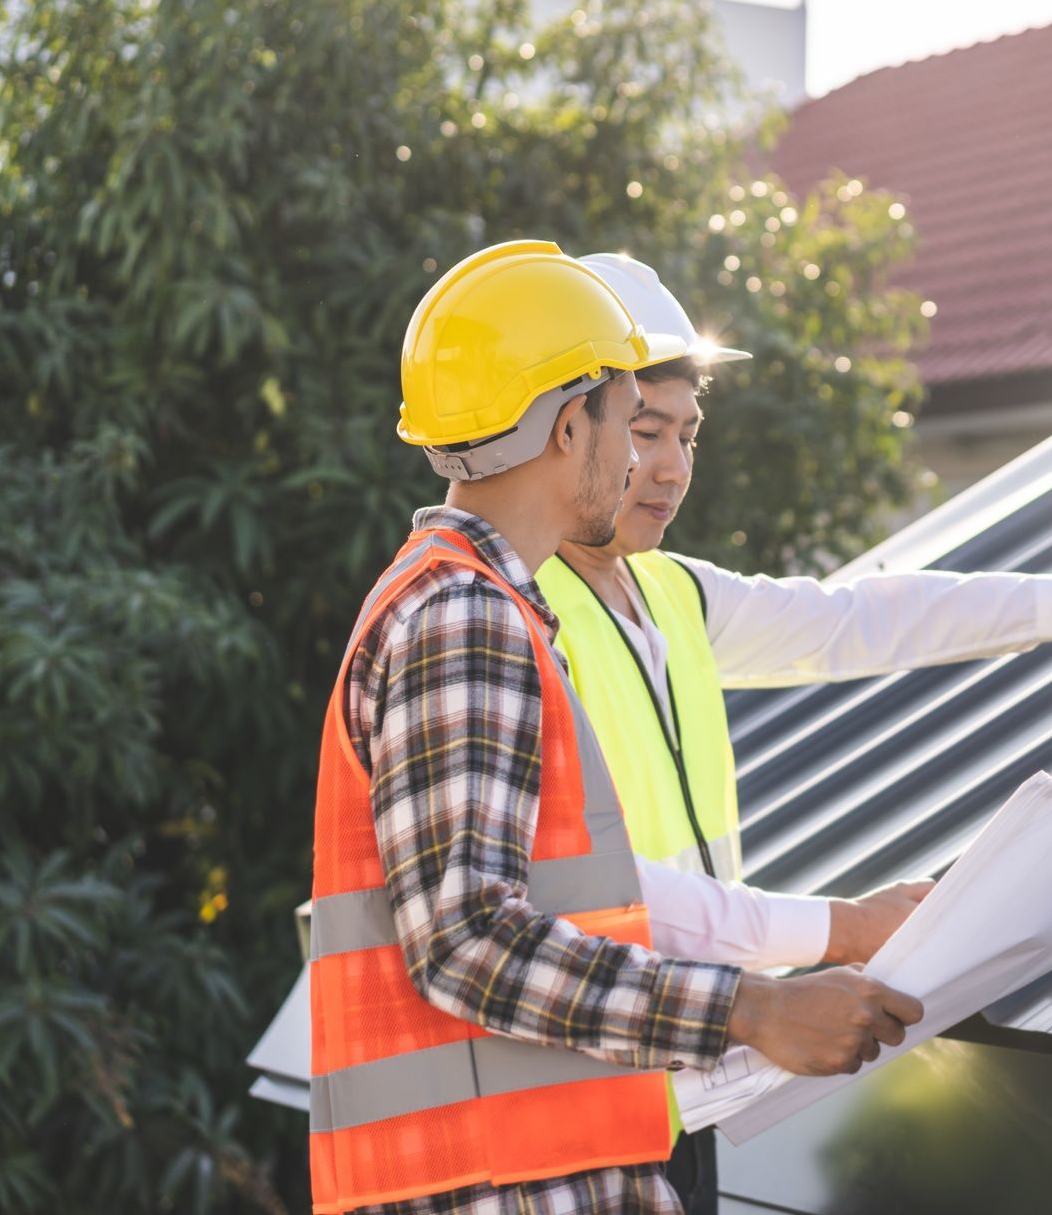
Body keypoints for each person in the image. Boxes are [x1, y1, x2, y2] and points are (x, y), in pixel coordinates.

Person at [539, 254, 1052, 1213]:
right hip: (579, 1100)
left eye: (688, 433)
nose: (672, 467)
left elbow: (870, 617)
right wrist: (837, 928)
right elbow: (595, 888)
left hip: (678, 1089)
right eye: (645, 432)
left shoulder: (671, 593)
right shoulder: (520, 617)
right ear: (573, 428)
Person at [307, 239, 923, 1215]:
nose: (643, 457)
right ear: (566, 426)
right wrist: (750, 1006)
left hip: (522, 1172)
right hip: (493, 1184)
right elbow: (467, 940)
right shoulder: (465, 618)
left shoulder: (481, 607)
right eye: (626, 420)